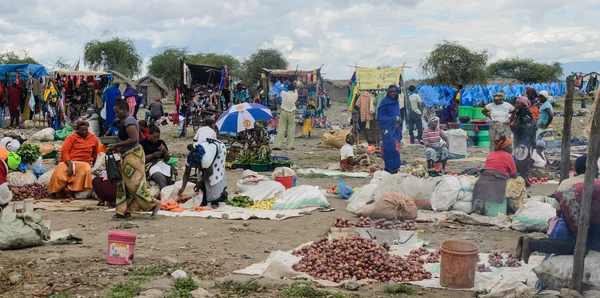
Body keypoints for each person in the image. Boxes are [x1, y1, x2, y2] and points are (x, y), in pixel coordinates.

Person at [516, 156, 600, 263]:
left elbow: (558, 212)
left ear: (575, 170)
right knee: (580, 245)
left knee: (574, 243)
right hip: (586, 224)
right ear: (595, 169)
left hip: (568, 221)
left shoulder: (566, 183)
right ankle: (532, 244)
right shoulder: (596, 183)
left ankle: (531, 243)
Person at [110, 100, 160, 219]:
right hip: (127, 154)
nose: (116, 114)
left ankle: (153, 204)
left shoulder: (130, 121)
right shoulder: (125, 122)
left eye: (117, 112)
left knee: (134, 183)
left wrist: (117, 145)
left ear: (124, 109)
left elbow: (133, 139)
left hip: (133, 156)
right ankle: (123, 211)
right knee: (124, 184)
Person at [48, 121, 100, 200]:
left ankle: (70, 190)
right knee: (59, 171)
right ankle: (55, 190)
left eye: (86, 130)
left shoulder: (94, 139)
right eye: (82, 130)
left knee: (85, 169)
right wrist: (70, 165)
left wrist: (93, 165)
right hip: (68, 160)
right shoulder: (71, 138)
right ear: (77, 130)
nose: (85, 132)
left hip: (84, 162)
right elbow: (65, 152)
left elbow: (95, 153)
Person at [472, 136, 519, 215]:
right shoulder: (508, 156)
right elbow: (514, 176)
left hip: (482, 180)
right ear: (505, 147)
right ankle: (512, 208)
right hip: (497, 181)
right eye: (510, 146)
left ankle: (478, 209)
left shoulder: (491, 154)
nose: (511, 148)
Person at [178, 139, 228, 208]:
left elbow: (210, 173)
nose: (193, 167)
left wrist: (199, 183)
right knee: (201, 174)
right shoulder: (190, 158)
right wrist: (182, 187)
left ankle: (216, 199)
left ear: (199, 162)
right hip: (208, 148)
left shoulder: (205, 160)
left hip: (219, 149)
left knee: (214, 177)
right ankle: (204, 197)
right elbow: (186, 173)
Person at [377, 85, 403, 174]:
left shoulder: (396, 102)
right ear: (388, 92)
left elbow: (399, 116)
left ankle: (395, 169)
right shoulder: (384, 103)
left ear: (397, 92)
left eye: (394, 91)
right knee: (389, 149)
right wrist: (394, 119)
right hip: (388, 131)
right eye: (390, 92)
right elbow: (381, 118)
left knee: (396, 150)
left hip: (396, 130)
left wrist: (399, 121)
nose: (392, 93)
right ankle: (389, 169)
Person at [512, 96, 537, 181]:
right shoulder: (520, 112)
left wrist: (533, 140)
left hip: (524, 139)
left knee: (523, 158)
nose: (516, 104)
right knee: (520, 157)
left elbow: (531, 127)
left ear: (523, 104)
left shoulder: (525, 114)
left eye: (518, 103)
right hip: (521, 138)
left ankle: (523, 177)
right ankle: (522, 177)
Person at [274, 83, 298, 150]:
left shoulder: (284, 93)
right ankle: (289, 146)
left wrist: (283, 84)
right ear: (293, 89)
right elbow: (296, 91)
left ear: (287, 88)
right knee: (291, 129)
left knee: (281, 128)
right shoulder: (295, 95)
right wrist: (295, 88)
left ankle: (278, 145)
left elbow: (279, 88)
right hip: (292, 112)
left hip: (284, 111)